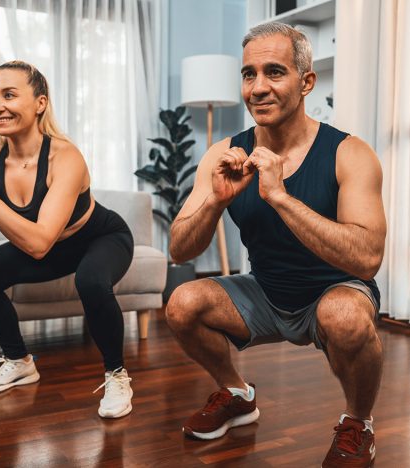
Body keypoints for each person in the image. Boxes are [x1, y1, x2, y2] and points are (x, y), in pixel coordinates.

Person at [165, 22, 386, 467]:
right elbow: (179, 250)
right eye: (249, 75)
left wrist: (280, 198)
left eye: (274, 72)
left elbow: (367, 259)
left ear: (306, 82)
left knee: (342, 315)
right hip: (265, 293)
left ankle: (358, 423)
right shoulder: (223, 152)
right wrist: (214, 202)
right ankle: (237, 395)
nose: (258, 88)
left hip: (335, 293)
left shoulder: (349, 152)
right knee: (182, 302)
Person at [0, 60, 135, 419]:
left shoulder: (65, 156)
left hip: (101, 238)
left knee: (90, 280)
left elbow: (39, 243)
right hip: (53, 246)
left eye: (9, 95)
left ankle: (117, 375)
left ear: (40, 103)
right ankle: (19, 361)